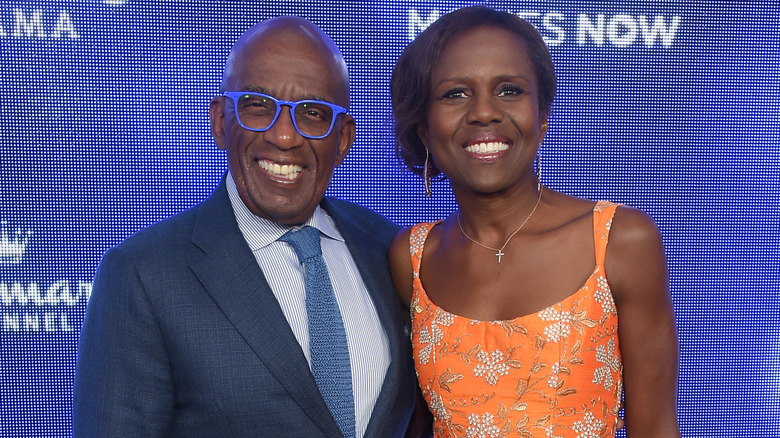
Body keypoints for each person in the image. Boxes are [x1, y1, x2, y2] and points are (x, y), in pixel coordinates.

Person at [73, 16, 417, 437]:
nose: (285, 136)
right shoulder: (144, 272)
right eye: (258, 106)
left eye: (313, 113)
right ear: (221, 121)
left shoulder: (388, 247)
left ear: (343, 139)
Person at [388, 6, 680, 438]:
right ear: (424, 130)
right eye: (455, 94)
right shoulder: (411, 258)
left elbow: (655, 428)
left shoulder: (619, 240)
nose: (484, 112)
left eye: (508, 90)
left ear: (541, 116)